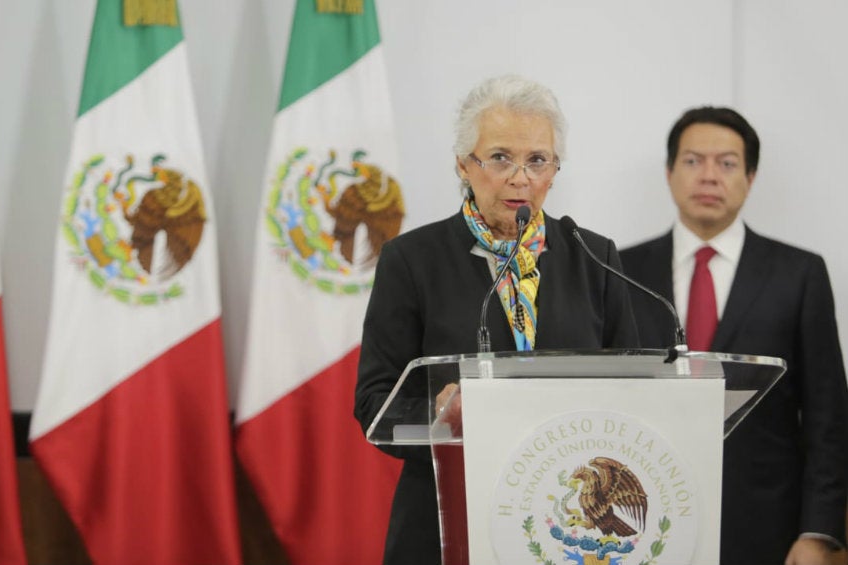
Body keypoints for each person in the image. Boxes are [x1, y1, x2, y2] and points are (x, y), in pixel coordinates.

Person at [353, 74, 640, 565]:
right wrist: (443, 418)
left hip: (570, 525)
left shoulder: (594, 256)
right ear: (464, 165)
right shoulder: (412, 259)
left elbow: (636, 388)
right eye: (501, 157)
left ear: (554, 170)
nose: (520, 177)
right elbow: (374, 402)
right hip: (446, 517)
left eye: (537, 160)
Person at [619, 106, 848, 565]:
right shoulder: (621, 270)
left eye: (726, 163)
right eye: (692, 161)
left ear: (750, 176)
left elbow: (828, 414)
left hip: (767, 526)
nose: (708, 176)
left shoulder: (799, 273)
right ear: (669, 173)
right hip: (643, 521)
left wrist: (819, 531)